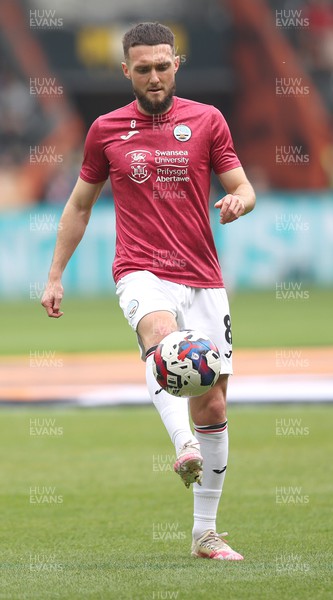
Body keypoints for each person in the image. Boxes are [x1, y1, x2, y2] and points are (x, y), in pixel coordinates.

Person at [41, 22, 256, 561]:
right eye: (143, 69)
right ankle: (182, 445)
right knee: (163, 341)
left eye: (163, 65)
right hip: (140, 270)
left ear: (176, 63)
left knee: (212, 400)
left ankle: (204, 533)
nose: (154, 76)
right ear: (126, 71)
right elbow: (80, 205)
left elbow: (242, 186)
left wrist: (239, 203)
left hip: (203, 276)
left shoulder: (208, 120)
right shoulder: (106, 131)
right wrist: (54, 275)